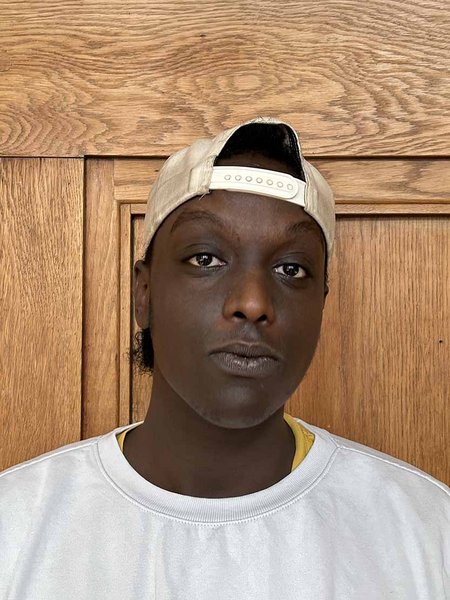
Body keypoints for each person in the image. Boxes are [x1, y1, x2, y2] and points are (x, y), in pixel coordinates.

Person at [0, 117, 448, 599]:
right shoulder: (17, 527)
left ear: (321, 302)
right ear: (144, 294)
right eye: (206, 259)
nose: (252, 303)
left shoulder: (425, 531)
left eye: (291, 268)